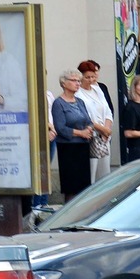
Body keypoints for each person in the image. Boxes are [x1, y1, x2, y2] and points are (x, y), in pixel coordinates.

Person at [48, 70, 95, 202]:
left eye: (79, 81)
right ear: (64, 83)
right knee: (71, 186)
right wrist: (81, 133)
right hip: (68, 148)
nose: (78, 83)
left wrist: (89, 129)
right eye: (74, 80)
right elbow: (60, 127)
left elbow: (89, 121)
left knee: (83, 186)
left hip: (83, 147)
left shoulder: (80, 102)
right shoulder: (59, 103)